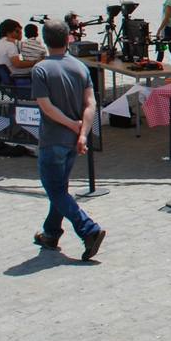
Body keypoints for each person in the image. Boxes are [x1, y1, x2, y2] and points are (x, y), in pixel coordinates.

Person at [30, 20, 106, 261]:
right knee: (59, 189)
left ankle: (88, 229)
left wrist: (71, 124)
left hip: (53, 138)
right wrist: (82, 132)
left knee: (55, 190)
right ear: (68, 40)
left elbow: (46, 107)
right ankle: (51, 234)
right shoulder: (80, 67)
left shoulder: (40, 69)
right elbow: (90, 103)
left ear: (45, 40)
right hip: (74, 139)